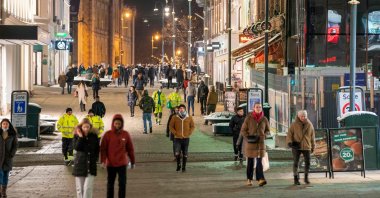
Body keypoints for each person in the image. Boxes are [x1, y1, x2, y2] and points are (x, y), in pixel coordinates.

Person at [101, 114, 135, 198]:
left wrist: (133, 161)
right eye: (116, 123)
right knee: (110, 184)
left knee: (122, 184)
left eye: (119, 124)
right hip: (111, 164)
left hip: (122, 164)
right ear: (113, 123)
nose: (117, 125)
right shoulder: (107, 135)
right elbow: (103, 149)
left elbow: (130, 149)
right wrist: (103, 161)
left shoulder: (125, 134)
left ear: (122, 124)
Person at [240, 102, 270, 187]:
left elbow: (268, 130)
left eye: (260, 107)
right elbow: (243, 130)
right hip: (250, 144)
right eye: (257, 107)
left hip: (260, 143)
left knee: (259, 162)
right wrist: (248, 137)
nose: (258, 108)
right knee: (250, 162)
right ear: (253, 108)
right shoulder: (248, 118)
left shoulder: (264, 119)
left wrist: (265, 135)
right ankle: (249, 179)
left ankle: (260, 179)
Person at [286, 110, 315, 185]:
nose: (303, 117)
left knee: (308, 162)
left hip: (307, 146)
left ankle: (306, 178)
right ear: (298, 116)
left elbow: (312, 137)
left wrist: (313, 146)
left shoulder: (309, 124)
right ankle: (296, 178)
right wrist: (289, 142)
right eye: (302, 116)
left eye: (304, 116)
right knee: (296, 162)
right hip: (297, 146)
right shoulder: (294, 124)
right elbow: (289, 134)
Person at [72, 118, 99, 198]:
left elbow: (97, 149)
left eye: (87, 127)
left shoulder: (94, 136)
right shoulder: (76, 136)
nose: (86, 129)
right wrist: (81, 137)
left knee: (88, 188)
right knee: (80, 189)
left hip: (91, 165)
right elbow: (77, 147)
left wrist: (95, 159)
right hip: (80, 165)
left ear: (90, 127)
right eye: (84, 127)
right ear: (81, 127)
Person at [169, 104, 195, 172]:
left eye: (183, 108)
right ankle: (178, 165)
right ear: (179, 109)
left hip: (186, 138)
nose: (181, 109)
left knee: (185, 153)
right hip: (177, 138)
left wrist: (189, 132)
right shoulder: (175, 117)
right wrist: (175, 132)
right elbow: (171, 126)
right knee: (177, 153)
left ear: (185, 109)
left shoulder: (189, 117)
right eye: (180, 108)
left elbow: (192, 126)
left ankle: (184, 166)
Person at [0, 119, 18, 197]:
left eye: (6, 124)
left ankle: (3, 191)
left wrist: (12, 154)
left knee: (5, 175)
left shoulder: (12, 134)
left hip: (8, 158)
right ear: (1, 125)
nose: (5, 125)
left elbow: (15, 145)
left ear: (9, 125)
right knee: (0, 174)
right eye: (3, 124)